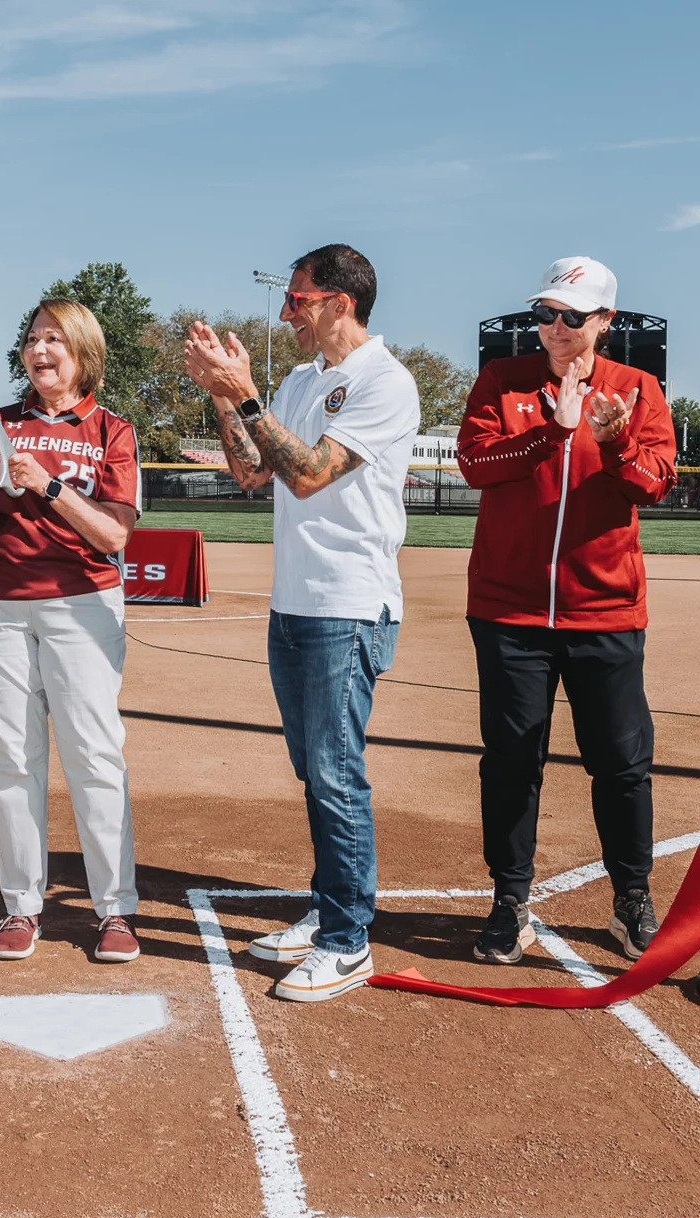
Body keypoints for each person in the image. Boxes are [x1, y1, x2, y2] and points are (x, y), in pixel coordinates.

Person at [185, 244, 420, 1002]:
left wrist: (244, 394)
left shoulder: (383, 381)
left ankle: (348, 939)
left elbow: (313, 472)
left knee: (333, 771)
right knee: (312, 769)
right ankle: (326, 907)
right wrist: (224, 397)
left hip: (348, 603)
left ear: (338, 303)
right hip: (296, 599)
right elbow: (254, 473)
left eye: (297, 299)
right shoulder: (297, 379)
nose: (286, 311)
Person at [455, 256, 677, 965]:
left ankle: (630, 899)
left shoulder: (637, 389)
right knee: (511, 760)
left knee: (619, 763)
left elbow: (654, 484)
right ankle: (508, 900)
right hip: (508, 612)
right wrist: (551, 430)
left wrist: (612, 439)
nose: (553, 328)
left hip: (603, 612)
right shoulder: (502, 381)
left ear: (603, 322)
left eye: (570, 316)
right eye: (544, 314)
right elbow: (475, 465)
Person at [0, 298, 143, 964]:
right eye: (31, 338)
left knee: (94, 754)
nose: (38, 349)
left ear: (82, 350)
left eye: (53, 338)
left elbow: (115, 533)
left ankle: (114, 909)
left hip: (81, 602)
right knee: (10, 758)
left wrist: (49, 486)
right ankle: (20, 904)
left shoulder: (111, 431)